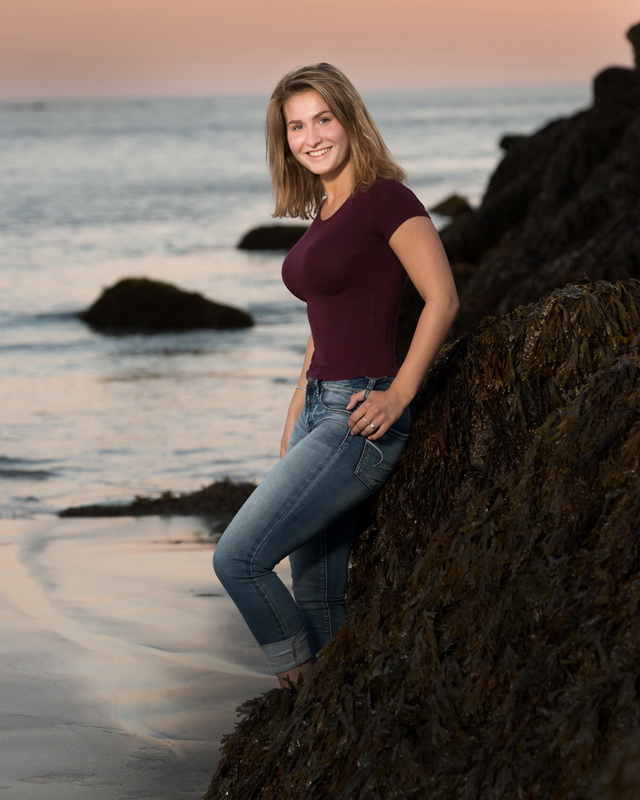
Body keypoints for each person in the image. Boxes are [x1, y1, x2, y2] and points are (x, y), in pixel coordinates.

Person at [213, 63, 459, 688]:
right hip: (319, 410)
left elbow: (442, 298)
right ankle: (334, 710)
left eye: (323, 118)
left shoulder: (388, 199)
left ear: (350, 119)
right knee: (319, 595)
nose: (311, 136)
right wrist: (295, 409)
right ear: (284, 139)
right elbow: (323, 322)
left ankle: (297, 676)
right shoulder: (325, 212)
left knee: (239, 558)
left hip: (359, 416)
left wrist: (399, 393)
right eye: (296, 125)